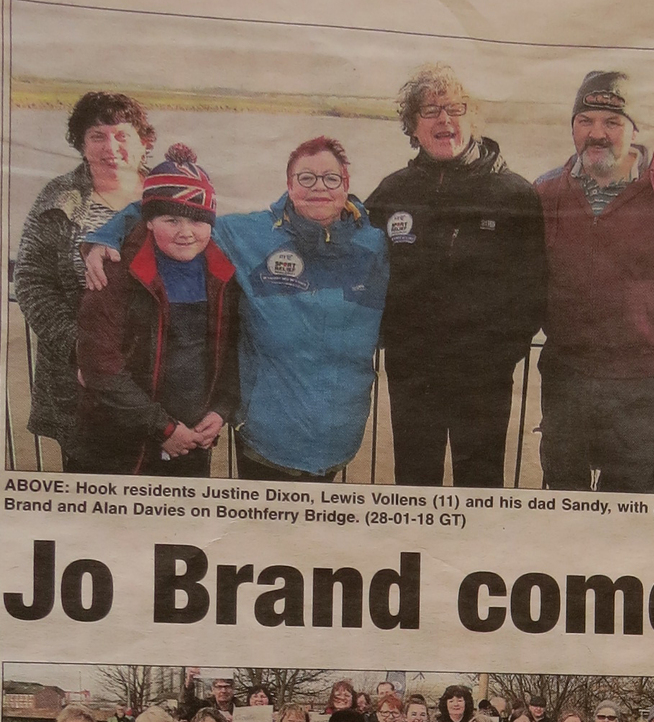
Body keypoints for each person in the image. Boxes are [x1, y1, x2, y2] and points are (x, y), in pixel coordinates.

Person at [83, 135, 389, 483]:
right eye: (306, 177)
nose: (318, 187)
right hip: (267, 442)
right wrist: (106, 235)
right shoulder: (246, 234)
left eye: (330, 178)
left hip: (339, 442)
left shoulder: (375, 245)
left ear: (346, 185)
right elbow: (173, 206)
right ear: (289, 185)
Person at [366, 63, 546, 487]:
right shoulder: (391, 193)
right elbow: (361, 271)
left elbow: (534, 288)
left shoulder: (515, 195)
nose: (445, 119)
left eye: (456, 108)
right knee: (413, 481)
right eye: (430, 111)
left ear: (474, 121)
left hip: (483, 377)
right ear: (412, 127)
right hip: (413, 372)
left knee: (482, 485)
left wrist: (502, 352)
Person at [535, 70, 654, 492]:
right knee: (561, 511)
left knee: (636, 521)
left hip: (644, 388)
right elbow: (520, 284)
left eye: (612, 122)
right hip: (566, 380)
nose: (597, 133)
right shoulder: (545, 192)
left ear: (634, 130)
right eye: (585, 121)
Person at [74, 144, 239, 475]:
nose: (185, 233)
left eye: (197, 220)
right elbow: (100, 366)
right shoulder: (114, 272)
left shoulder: (223, 274)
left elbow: (232, 351)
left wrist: (220, 410)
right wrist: (163, 429)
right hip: (120, 445)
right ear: (147, 221)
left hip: (193, 441)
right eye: (171, 220)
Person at [14, 91, 154, 467]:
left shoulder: (173, 193)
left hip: (161, 374)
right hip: (82, 384)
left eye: (122, 135)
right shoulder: (58, 199)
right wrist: (83, 349)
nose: (111, 147)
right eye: (97, 135)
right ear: (80, 143)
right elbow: (30, 280)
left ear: (144, 142)